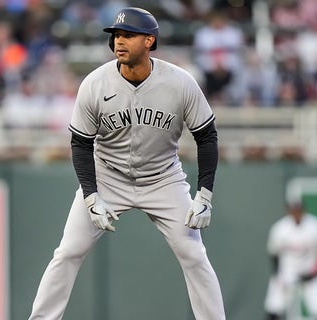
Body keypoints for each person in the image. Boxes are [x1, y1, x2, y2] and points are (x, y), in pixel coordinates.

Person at [27, 7, 226, 320]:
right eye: (117, 35)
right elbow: (80, 144)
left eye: (128, 35)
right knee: (67, 252)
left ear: (149, 41)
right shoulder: (94, 84)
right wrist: (91, 195)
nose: (120, 41)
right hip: (108, 176)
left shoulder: (180, 83)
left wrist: (205, 194)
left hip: (163, 178)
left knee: (194, 255)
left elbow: (207, 137)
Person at [264, 197, 317, 320]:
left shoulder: (316, 226)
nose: (296, 212)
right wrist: (278, 274)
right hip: (286, 273)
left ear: (303, 209)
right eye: (293, 209)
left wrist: (315, 272)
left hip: (310, 273)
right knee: (273, 309)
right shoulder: (280, 228)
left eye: (298, 209)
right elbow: (274, 253)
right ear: (288, 211)